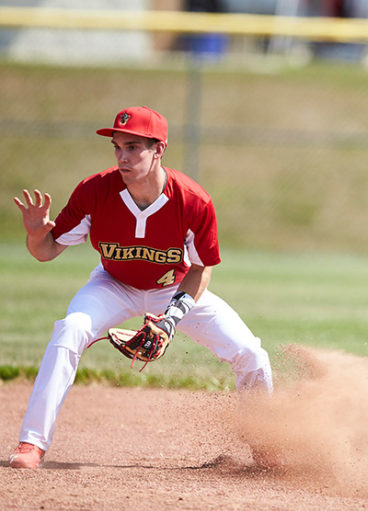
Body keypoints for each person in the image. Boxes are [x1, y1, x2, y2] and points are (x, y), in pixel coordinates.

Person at [9, 106, 273, 469]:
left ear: (158, 149)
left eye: (133, 147)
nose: (123, 156)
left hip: (173, 289)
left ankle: (267, 449)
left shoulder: (192, 200)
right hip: (112, 285)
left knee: (251, 353)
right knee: (70, 329)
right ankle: (31, 444)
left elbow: (200, 268)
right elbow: (46, 251)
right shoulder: (95, 191)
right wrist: (36, 234)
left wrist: (171, 319)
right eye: (118, 147)